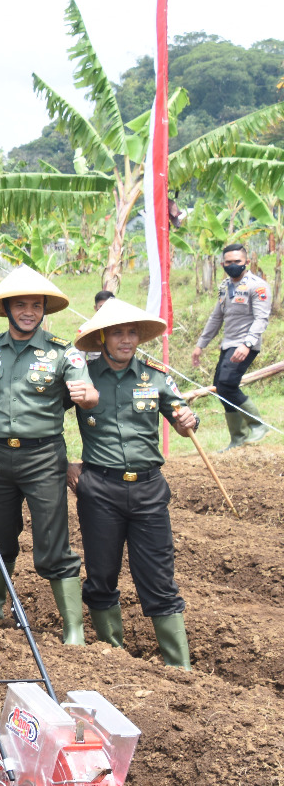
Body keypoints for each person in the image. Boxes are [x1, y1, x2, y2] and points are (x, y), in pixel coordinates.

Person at [0, 266, 97, 645]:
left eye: (36, 305)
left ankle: (73, 627)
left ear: (44, 310)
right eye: (21, 305)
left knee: (53, 541)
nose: (29, 311)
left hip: (43, 457)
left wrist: (87, 394)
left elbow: (86, 393)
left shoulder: (63, 352)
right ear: (7, 308)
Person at [68, 299, 197, 670]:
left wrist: (190, 419)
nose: (126, 339)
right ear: (103, 337)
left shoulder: (155, 375)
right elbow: (43, 419)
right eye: (118, 332)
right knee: (102, 575)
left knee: (159, 578)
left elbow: (183, 420)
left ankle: (180, 668)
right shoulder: (82, 376)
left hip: (148, 490)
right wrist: (64, 464)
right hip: (99, 489)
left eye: (131, 332)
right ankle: (114, 658)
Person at [192, 243, 272, 449]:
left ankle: (258, 425)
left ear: (246, 261)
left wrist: (247, 344)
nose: (233, 265)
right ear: (222, 264)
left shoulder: (258, 286)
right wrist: (201, 345)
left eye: (237, 261)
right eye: (229, 262)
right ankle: (238, 438)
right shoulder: (224, 287)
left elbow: (261, 319)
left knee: (227, 384)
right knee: (221, 387)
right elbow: (216, 318)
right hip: (228, 345)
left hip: (245, 344)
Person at [84, 290, 115, 362]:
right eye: (101, 307)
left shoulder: (124, 327)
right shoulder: (86, 328)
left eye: (108, 306)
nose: (105, 310)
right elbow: (80, 357)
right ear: (95, 308)